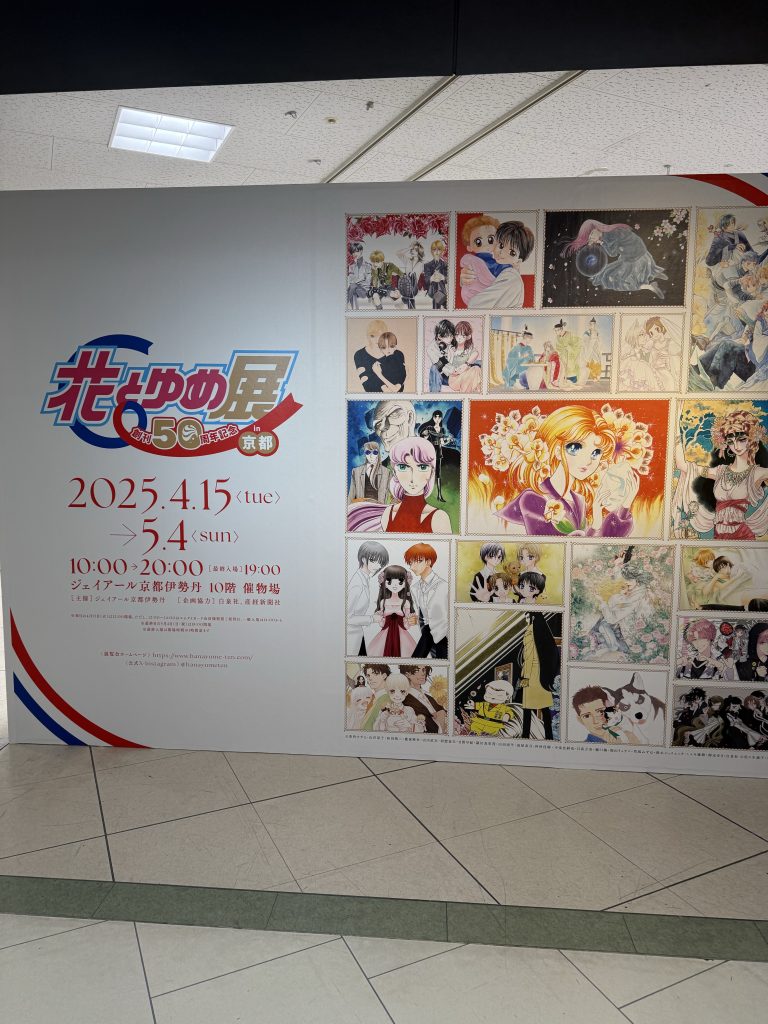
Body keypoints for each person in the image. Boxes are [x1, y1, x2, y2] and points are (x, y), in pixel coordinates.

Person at [490, 404, 644, 537]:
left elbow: (599, 544)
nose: (588, 460)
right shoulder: (532, 499)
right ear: (557, 451)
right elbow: (558, 548)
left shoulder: (579, 500)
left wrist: (625, 505)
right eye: (576, 448)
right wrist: (596, 524)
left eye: (596, 453)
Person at [673, 407, 768, 541]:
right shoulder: (720, 471)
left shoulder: (758, 473)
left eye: (741, 439)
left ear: (751, 439)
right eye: (730, 441)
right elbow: (682, 465)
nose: (736, 446)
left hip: (742, 536)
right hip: (718, 535)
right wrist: (675, 428)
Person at [563, 219, 668, 299]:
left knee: (611, 277)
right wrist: (600, 242)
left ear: (596, 229)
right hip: (640, 254)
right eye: (590, 238)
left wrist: (601, 242)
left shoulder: (610, 235)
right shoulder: (610, 232)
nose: (592, 239)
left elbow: (612, 253)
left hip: (633, 258)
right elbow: (616, 249)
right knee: (608, 271)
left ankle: (649, 286)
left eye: (591, 236)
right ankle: (652, 273)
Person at [380, 435, 451, 534]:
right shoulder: (388, 514)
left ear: (432, 472)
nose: (413, 478)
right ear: (394, 472)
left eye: (422, 467)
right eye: (403, 467)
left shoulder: (439, 518)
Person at [464, 220, 535, 309]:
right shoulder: (499, 270)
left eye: (512, 252)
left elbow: (475, 304)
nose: (502, 253)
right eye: (501, 245)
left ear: (518, 261)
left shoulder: (510, 276)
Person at [587, 562, 653, 658]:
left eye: (629, 579)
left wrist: (602, 602)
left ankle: (614, 646)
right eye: (626, 579)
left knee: (603, 625)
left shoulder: (636, 597)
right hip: (622, 625)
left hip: (632, 634)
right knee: (602, 623)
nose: (626, 582)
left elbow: (612, 619)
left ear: (637, 579)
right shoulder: (636, 591)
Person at [405, 542, 449, 659]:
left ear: (429, 562)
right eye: (410, 563)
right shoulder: (415, 588)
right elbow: (422, 615)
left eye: (417, 561)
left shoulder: (444, 586)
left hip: (444, 635)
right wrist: (415, 620)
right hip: (427, 634)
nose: (412, 567)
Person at [346, 540, 389, 656]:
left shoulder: (364, 578)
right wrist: (371, 619)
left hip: (357, 635)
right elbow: (346, 617)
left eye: (381, 563)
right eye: (375, 561)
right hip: (351, 637)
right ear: (364, 559)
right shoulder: (357, 584)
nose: (379, 566)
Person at [519, 612, 558, 739]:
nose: (526, 620)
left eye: (527, 617)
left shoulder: (530, 631)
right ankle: (549, 736)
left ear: (532, 618)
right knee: (545, 709)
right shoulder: (543, 630)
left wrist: (525, 676)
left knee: (527, 709)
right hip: (543, 675)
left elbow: (529, 657)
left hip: (532, 674)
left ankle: (525, 736)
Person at [366, 565, 418, 658]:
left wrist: (410, 620)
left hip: (402, 635)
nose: (395, 585)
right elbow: (382, 624)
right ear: (384, 582)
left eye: (400, 581)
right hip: (385, 634)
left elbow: (407, 625)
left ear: (405, 583)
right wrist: (379, 618)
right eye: (389, 581)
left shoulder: (406, 602)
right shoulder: (383, 602)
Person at [419, 410, 454, 502]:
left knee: (438, 474)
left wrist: (449, 440)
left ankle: (439, 495)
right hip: (431, 451)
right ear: (433, 418)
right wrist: (426, 434)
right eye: (435, 417)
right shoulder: (430, 428)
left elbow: (442, 442)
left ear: (441, 418)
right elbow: (423, 436)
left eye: (439, 417)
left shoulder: (442, 430)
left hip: (438, 452)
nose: (437, 419)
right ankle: (423, 494)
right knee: (427, 472)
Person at [402, 664, 446, 733]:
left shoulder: (429, 697)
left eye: (424, 670)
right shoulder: (406, 700)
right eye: (417, 671)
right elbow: (429, 727)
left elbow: (443, 713)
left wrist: (441, 714)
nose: (423, 673)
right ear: (407, 674)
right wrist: (441, 715)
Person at [353, 319, 389, 392]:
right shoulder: (360, 355)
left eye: (381, 336)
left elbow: (398, 387)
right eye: (373, 336)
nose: (377, 340)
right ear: (368, 336)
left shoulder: (395, 354)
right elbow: (368, 387)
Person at [447, 320, 482, 392]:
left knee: (476, 368)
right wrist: (453, 370)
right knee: (474, 372)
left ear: (468, 337)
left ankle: (470, 394)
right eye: (457, 335)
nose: (459, 338)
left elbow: (476, 353)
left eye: (462, 336)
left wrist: (466, 364)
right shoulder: (451, 349)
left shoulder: (469, 349)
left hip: (467, 375)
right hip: (455, 378)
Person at [426, 320, 456, 393]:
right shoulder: (432, 348)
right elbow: (442, 367)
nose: (451, 338)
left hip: (458, 371)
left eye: (452, 336)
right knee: (434, 367)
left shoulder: (453, 341)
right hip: (446, 375)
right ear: (439, 336)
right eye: (448, 336)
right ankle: (434, 396)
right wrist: (451, 355)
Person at [395, 240, 425, 309]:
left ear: (419, 252)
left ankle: (403, 302)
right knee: (408, 278)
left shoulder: (423, 263)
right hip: (406, 287)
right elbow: (398, 253)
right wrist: (409, 248)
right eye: (412, 249)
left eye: (415, 250)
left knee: (413, 276)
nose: (413, 251)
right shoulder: (407, 260)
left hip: (415, 287)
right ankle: (410, 307)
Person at [553, 319, 582, 384]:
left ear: (561, 329)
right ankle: (564, 379)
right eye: (555, 331)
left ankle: (572, 379)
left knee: (571, 366)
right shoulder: (558, 337)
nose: (556, 332)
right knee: (563, 367)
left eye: (557, 330)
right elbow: (558, 347)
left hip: (571, 354)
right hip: (563, 354)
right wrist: (560, 352)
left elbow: (578, 341)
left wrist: (570, 348)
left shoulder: (569, 334)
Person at [423, 239, 448, 309]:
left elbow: (449, 278)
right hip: (432, 289)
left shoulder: (445, 265)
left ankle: (445, 305)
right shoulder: (427, 265)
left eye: (439, 249)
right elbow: (426, 279)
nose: (436, 252)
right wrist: (432, 278)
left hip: (442, 290)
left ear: (442, 251)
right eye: (434, 249)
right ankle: (445, 304)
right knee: (436, 294)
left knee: (437, 296)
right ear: (432, 251)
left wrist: (442, 277)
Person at [347, 242, 371, 309]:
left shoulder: (368, 265)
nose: (354, 254)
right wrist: (362, 278)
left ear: (361, 251)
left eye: (356, 251)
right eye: (353, 252)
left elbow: (368, 281)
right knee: (352, 289)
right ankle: (354, 309)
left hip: (364, 291)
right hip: (354, 289)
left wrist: (356, 281)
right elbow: (351, 280)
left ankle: (345, 303)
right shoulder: (351, 266)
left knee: (352, 287)